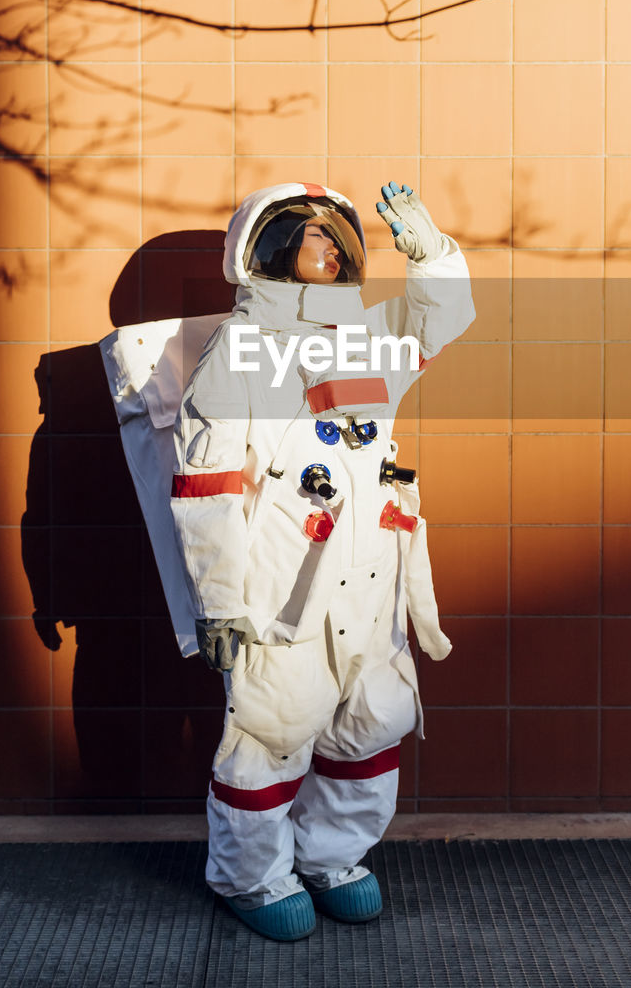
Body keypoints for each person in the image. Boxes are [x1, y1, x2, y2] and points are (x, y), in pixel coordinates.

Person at [169, 179, 475, 940]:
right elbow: (204, 491)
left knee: (370, 725)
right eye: (308, 233)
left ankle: (333, 857)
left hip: (372, 576)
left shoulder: (368, 339)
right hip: (282, 587)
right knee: (273, 732)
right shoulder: (236, 356)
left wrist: (428, 250)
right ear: (262, 247)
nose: (329, 244)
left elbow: (441, 321)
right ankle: (253, 878)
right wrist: (220, 603)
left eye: (338, 234)